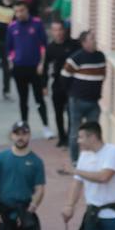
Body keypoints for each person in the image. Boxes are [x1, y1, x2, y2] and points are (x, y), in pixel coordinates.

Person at [63, 29, 107, 164]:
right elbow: (64, 77)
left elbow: (102, 75)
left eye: (94, 38)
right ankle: (75, 161)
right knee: (75, 133)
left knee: (94, 133)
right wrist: (73, 93)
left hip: (94, 102)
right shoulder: (75, 58)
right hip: (77, 101)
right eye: (92, 38)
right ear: (84, 43)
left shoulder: (100, 56)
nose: (95, 41)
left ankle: (93, 159)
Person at [6, 2, 49, 134]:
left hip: (35, 68)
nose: (19, 14)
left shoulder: (37, 23)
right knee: (23, 99)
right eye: (17, 11)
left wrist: (42, 63)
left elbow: (44, 45)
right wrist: (12, 61)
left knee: (39, 99)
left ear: (27, 10)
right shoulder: (12, 26)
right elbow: (9, 48)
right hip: (19, 68)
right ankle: (24, 127)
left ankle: (46, 126)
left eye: (22, 10)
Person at [44, 20, 77, 148]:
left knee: (70, 112)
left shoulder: (73, 45)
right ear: (52, 32)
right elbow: (46, 67)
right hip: (57, 84)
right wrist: (44, 85)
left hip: (72, 84)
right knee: (58, 113)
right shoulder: (50, 48)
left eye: (60, 29)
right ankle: (61, 137)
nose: (58, 33)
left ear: (65, 30)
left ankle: (70, 137)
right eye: (55, 30)